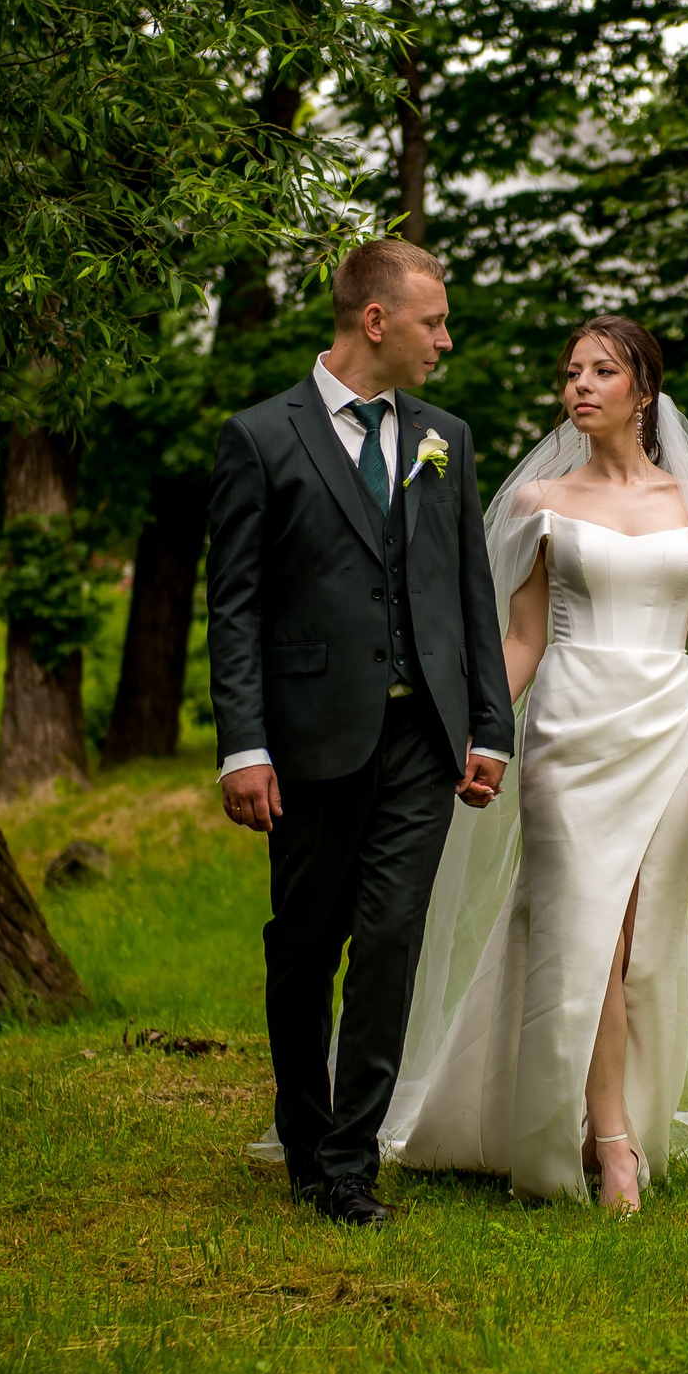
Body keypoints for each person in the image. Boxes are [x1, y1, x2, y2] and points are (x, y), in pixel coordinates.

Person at [381, 315, 688, 1212]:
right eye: (570, 373)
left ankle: (602, 1120)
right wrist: (480, 733)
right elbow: (519, 637)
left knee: (635, 943)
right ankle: (611, 1143)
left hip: (668, 731)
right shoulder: (539, 503)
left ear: (644, 387)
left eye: (601, 371)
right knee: (585, 929)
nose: (579, 387)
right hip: (568, 724)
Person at [205, 238, 514, 1227]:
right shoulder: (260, 438)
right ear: (374, 321)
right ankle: (304, 1133)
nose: (445, 339)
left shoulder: (445, 437)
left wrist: (488, 725)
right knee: (305, 947)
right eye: (433, 321)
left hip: (421, 739)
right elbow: (236, 607)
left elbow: (469, 588)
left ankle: (349, 1162)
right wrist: (243, 745)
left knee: (389, 940)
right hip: (306, 744)